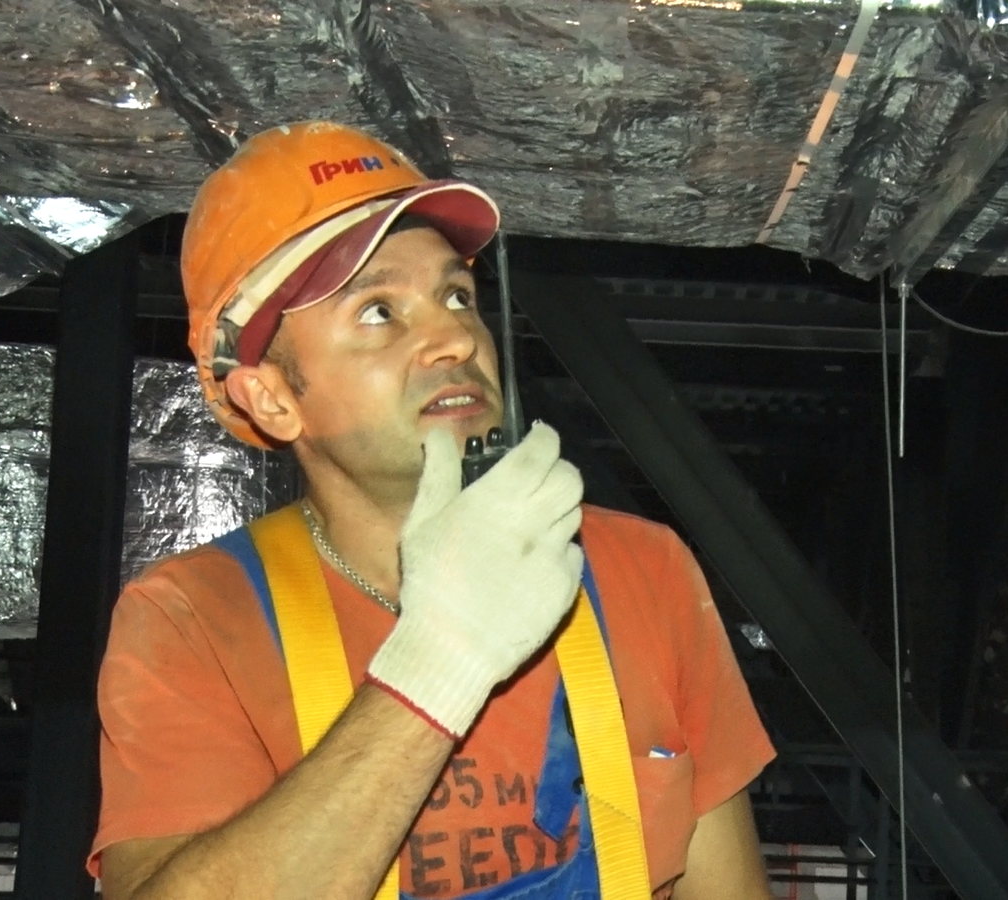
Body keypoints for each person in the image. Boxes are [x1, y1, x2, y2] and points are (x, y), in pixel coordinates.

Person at [89, 120, 778, 900]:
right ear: (272, 399)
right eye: (377, 312)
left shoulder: (642, 570)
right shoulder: (193, 619)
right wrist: (437, 666)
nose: (454, 337)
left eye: (456, 295)